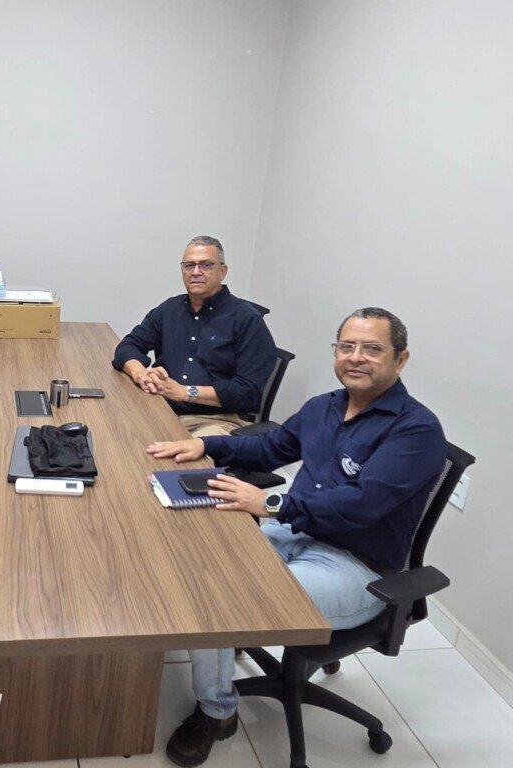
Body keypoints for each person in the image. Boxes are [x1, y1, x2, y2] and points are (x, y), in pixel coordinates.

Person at [146, 307, 446, 767]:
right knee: (201, 559)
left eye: (372, 349)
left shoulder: (416, 430)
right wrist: (207, 445)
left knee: (218, 598)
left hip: (355, 568)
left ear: (400, 359)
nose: (356, 357)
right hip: (296, 534)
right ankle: (225, 646)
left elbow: (360, 504)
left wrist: (270, 503)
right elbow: (271, 446)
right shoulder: (325, 406)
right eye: (347, 346)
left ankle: (217, 712)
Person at [113, 235, 277, 438]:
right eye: (189, 265)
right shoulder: (169, 309)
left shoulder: (247, 319)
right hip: (160, 407)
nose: (196, 272)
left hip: (214, 420)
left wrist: (184, 392)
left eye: (206, 265)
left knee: (176, 454)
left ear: (223, 271)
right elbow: (129, 346)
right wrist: (141, 374)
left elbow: (248, 392)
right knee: (112, 432)